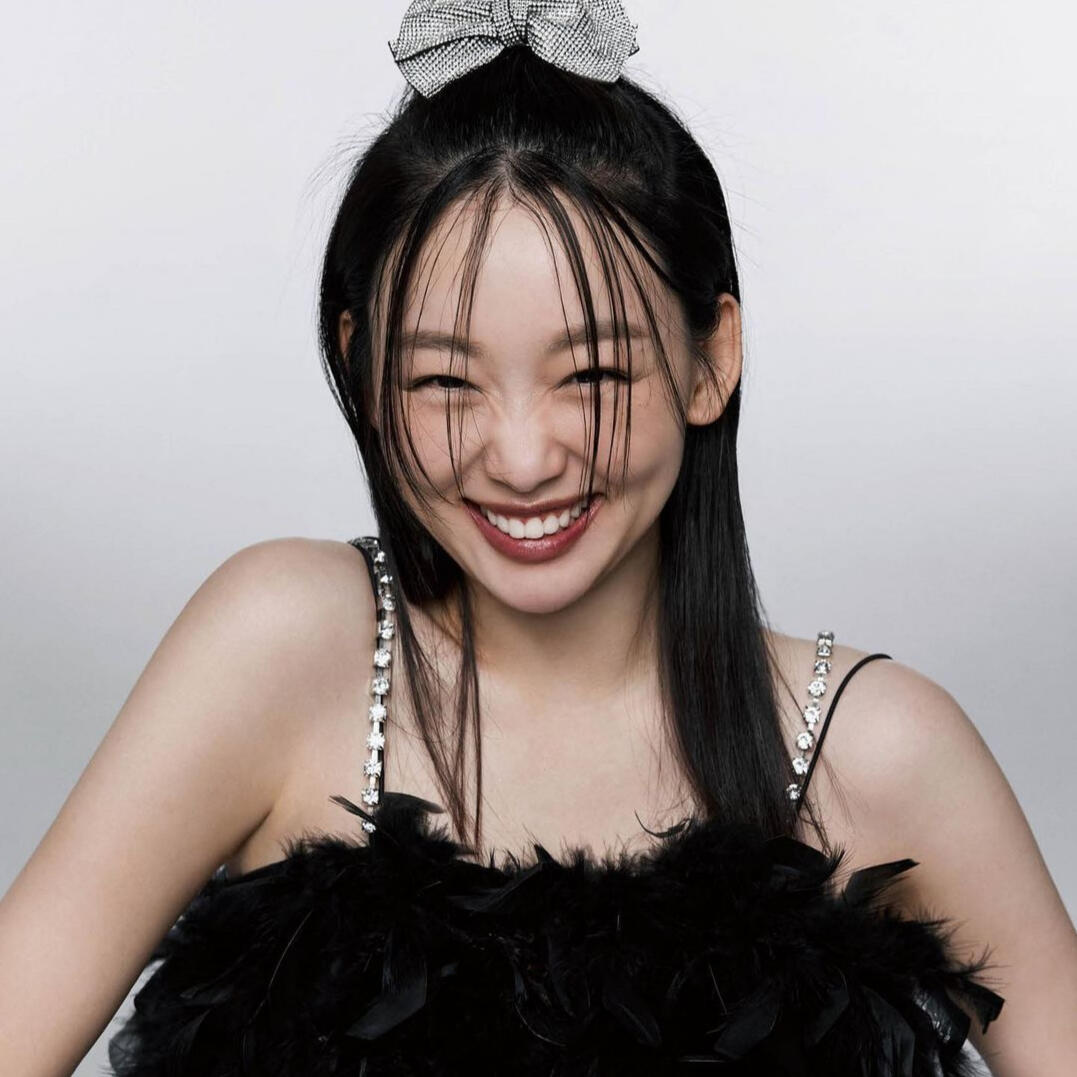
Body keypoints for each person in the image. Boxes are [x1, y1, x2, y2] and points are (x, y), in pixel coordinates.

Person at [1, 1, 1075, 1073]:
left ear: (711, 359)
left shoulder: (881, 751)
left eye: (591, 375)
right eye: (444, 381)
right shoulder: (277, 650)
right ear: (363, 371)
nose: (521, 459)